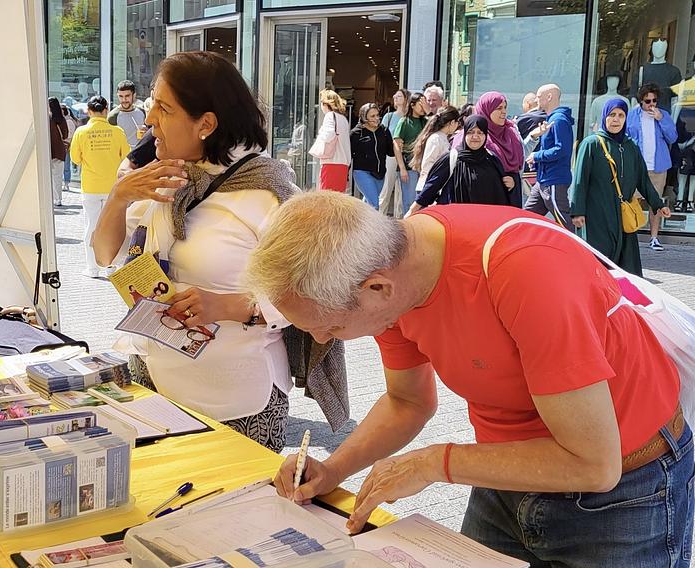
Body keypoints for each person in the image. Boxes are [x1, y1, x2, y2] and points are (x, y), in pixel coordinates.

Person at [247, 191, 689, 568]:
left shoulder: (525, 271)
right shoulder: (393, 271)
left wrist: (433, 463)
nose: (322, 339)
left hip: (629, 488)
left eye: (332, 327)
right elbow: (408, 401)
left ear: (377, 289)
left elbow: (594, 464)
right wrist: (332, 469)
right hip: (506, 476)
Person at [90, 51, 315, 453]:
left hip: (238, 401)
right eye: (150, 105)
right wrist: (118, 197)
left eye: (163, 108)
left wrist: (227, 306)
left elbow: (314, 297)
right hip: (152, 384)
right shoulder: (164, 178)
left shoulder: (269, 195)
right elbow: (106, 255)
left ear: (206, 124)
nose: (148, 121)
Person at [571, 100, 672, 277]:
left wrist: (658, 204)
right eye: (612, 115)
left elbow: (643, 180)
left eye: (621, 115)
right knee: (599, 264)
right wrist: (578, 212)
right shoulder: (591, 144)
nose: (616, 120)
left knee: (626, 268)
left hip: (624, 216)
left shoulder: (631, 146)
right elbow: (580, 181)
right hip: (598, 216)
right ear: (604, 117)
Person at [70, 95, 130, 278]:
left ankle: (92, 268)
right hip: (113, 187)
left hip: (90, 187)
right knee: (113, 227)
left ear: (89, 112)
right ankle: (110, 265)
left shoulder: (81, 132)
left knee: (91, 227)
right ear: (106, 110)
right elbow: (126, 156)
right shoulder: (117, 131)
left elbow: (75, 158)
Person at [409, 115, 513, 213]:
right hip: (457, 221)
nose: (475, 136)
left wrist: (511, 184)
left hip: (486, 222)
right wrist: (412, 211)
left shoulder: (492, 159)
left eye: (480, 132)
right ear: (465, 134)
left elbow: (502, 189)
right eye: (471, 132)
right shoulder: (452, 158)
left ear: (485, 135)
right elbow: (432, 186)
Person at [626, 83, 678, 252]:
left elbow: (672, 137)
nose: (651, 104)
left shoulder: (664, 115)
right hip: (636, 166)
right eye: (648, 101)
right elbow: (625, 136)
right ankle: (629, 235)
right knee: (631, 200)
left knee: (655, 203)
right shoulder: (632, 115)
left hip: (658, 166)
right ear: (641, 101)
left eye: (654, 100)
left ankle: (654, 237)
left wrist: (661, 119)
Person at [472, 92, 535, 207]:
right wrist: (498, 181)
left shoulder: (511, 132)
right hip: (483, 200)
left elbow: (521, 158)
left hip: (511, 199)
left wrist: (513, 182)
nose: (504, 112)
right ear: (487, 109)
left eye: (505, 107)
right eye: (499, 108)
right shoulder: (474, 135)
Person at [525, 84, 575, 228]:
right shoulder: (553, 118)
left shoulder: (559, 120)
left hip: (554, 181)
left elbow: (561, 149)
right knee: (526, 217)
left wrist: (537, 156)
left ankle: (576, 249)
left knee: (564, 223)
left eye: (539, 97)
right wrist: (536, 159)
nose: (536, 100)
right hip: (544, 180)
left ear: (549, 97)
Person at [349, 102, 395, 208]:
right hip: (362, 172)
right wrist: (346, 173)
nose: (376, 118)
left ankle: (360, 222)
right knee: (374, 204)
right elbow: (349, 154)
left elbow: (390, 152)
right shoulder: (356, 133)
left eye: (377, 115)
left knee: (368, 202)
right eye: (372, 116)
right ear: (364, 117)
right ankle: (375, 225)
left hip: (380, 173)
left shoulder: (383, 130)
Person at [409, 105, 460, 197]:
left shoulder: (443, 138)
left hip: (435, 187)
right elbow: (428, 164)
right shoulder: (436, 139)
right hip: (428, 189)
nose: (457, 126)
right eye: (457, 122)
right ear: (452, 122)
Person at [392, 92, 429, 213]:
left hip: (423, 166)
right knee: (409, 201)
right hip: (408, 165)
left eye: (425, 103)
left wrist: (428, 110)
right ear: (412, 105)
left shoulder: (426, 122)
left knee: (422, 202)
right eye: (421, 104)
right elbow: (396, 145)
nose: (423, 106)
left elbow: (437, 124)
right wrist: (402, 168)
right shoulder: (404, 121)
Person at [379, 89, 409, 217]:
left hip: (406, 156)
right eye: (395, 95)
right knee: (386, 187)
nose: (395, 98)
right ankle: (379, 216)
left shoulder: (410, 118)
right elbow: (381, 135)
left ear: (406, 98)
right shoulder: (389, 116)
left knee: (402, 192)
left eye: (399, 96)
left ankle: (400, 220)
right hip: (391, 156)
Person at [314, 89, 351, 192]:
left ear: (325, 103)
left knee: (326, 198)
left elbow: (328, 135)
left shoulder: (330, 116)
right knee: (338, 198)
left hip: (331, 161)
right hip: (343, 162)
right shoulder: (343, 118)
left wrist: (320, 138)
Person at [107, 80, 146, 147]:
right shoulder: (113, 116)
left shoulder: (142, 112)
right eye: (121, 96)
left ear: (134, 95)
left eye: (127, 96)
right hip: (122, 156)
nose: (124, 100)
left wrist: (147, 131)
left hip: (140, 153)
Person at [48, 96, 70, 207]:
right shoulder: (61, 119)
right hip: (59, 151)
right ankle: (58, 199)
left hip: (48, 151)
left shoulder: (46, 118)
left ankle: (50, 198)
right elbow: (65, 134)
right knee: (57, 176)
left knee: (48, 177)